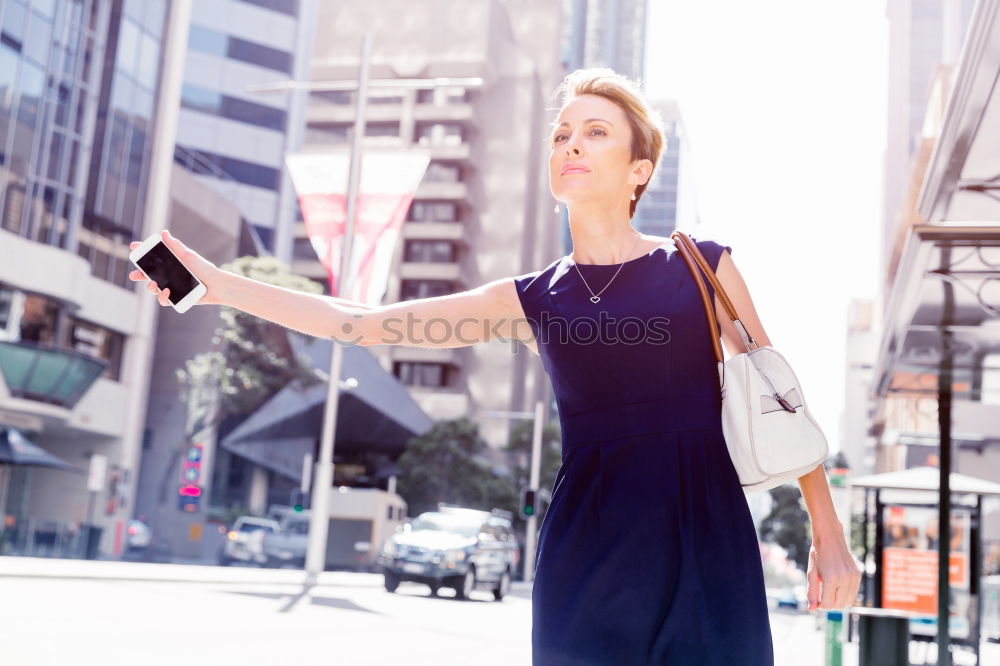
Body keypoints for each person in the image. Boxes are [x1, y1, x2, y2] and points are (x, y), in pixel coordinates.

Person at [129, 67, 861, 665]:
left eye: (595, 132)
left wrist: (826, 534)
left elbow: (779, 401)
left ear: (639, 170)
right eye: (562, 134)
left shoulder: (703, 268)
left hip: (706, 542)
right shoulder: (532, 298)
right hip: (589, 552)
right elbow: (359, 326)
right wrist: (218, 285)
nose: (571, 144)